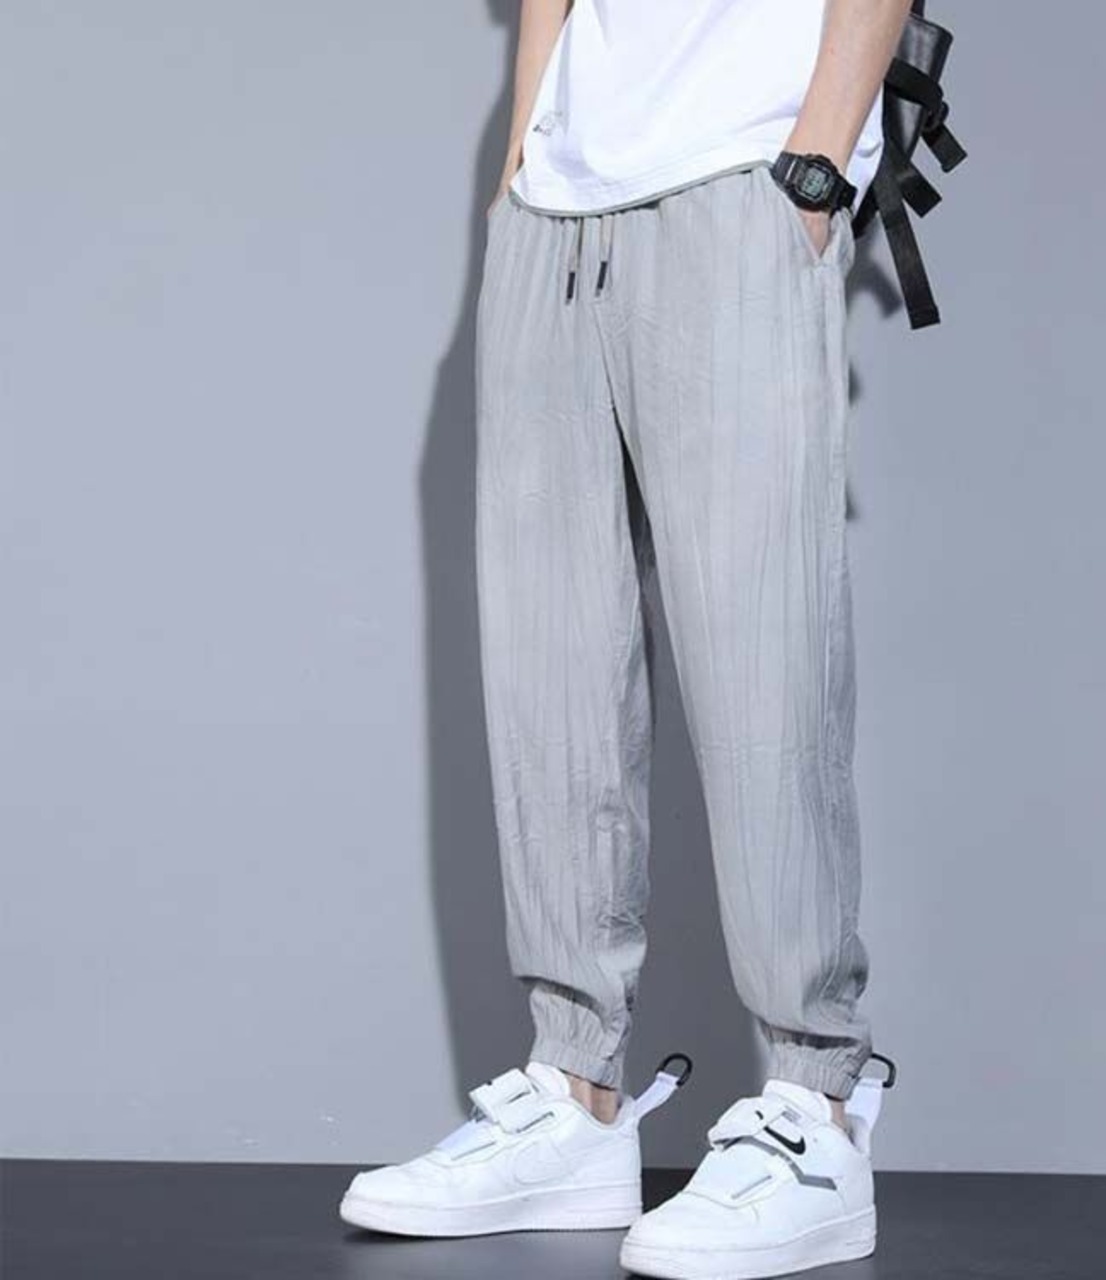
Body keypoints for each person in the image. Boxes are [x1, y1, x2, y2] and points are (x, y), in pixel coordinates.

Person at [340, 2, 912, 1275]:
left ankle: (816, 1106)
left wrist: (817, 165)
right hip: (555, 204)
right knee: (548, 663)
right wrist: (521, 165)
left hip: (748, 174)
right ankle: (574, 1092)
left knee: (760, 658)